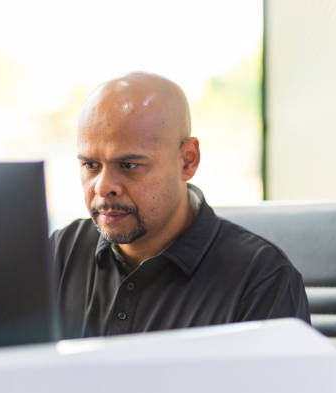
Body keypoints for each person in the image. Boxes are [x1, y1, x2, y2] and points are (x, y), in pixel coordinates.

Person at [50, 72, 310, 339]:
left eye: (129, 166)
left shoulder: (262, 281)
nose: (103, 187)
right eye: (91, 165)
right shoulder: (59, 254)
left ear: (188, 160)